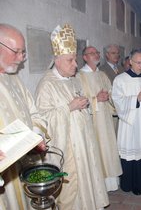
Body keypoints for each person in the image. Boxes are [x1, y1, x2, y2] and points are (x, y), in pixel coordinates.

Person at [35, 24, 109, 209]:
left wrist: (84, 104)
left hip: (84, 142)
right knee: (72, 191)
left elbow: (83, 108)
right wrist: (69, 107)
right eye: (70, 60)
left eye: (75, 60)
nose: (76, 65)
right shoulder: (46, 85)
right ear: (57, 60)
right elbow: (42, 120)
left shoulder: (74, 79)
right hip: (69, 148)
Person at [0, 23, 47, 210]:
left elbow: (34, 112)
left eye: (23, 52)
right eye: (16, 51)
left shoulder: (14, 79)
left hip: (22, 164)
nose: (21, 58)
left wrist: (36, 136)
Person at [112, 49, 141, 196]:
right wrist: (136, 99)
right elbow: (117, 101)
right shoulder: (120, 80)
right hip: (130, 124)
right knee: (134, 151)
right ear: (130, 62)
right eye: (138, 62)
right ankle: (134, 183)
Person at [78, 46, 122, 191]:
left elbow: (111, 92)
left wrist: (109, 96)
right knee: (97, 149)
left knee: (108, 148)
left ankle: (111, 182)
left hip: (106, 120)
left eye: (97, 52)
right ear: (85, 57)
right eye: (92, 53)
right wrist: (95, 99)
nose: (96, 55)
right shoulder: (80, 76)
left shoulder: (102, 74)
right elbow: (78, 99)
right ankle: (99, 185)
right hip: (92, 121)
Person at [99, 44, 124, 132]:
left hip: (123, 104)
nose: (116, 55)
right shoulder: (101, 70)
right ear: (107, 55)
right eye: (113, 53)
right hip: (111, 106)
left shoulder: (121, 69)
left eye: (117, 53)